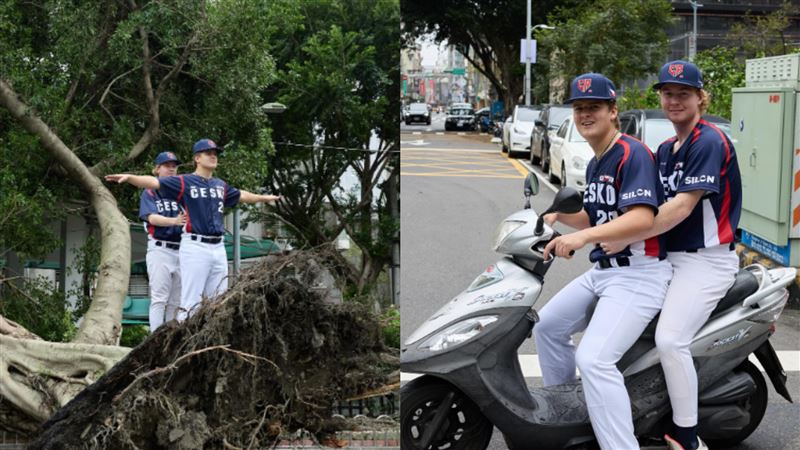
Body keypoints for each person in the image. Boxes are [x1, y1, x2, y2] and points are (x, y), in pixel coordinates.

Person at [600, 60, 742, 450]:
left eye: (683, 94)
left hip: (706, 262)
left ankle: (688, 436)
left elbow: (680, 208)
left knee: (670, 340)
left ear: (700, 98)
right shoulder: (665, 149)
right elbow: (646, 206)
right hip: (669, 259)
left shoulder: (708, 141)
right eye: (668, 94)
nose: (674, 101)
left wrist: (625, 236)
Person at [533, 73, 673, 450]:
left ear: (613, 111)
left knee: (594, 359)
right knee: (547, 327)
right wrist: (557, 217)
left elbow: (641, 218)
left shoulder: (632, 153)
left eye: (593, 107)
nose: (585, 114)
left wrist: (582, 238)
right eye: (579, 108)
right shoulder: (598, 161)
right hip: (605, 272)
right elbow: (598, 218)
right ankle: (567, 415)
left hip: (640, 274)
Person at [106, 138, 281, 322]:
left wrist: (262, 198)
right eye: (208, 153)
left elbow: (241, 195)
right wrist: (130, 178)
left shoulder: (219, 184)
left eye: (215, 153)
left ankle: (208, 339)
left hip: (218, 247)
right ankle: (179, 339)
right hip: (195, 246)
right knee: (190, 303)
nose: (213, 156)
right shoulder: (185, 182)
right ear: (197, 158)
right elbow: (154, 183)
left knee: (217, 302)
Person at [139, 151, 186, 331]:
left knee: (177, 301)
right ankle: (155, 339)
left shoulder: (181, 193)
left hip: (182, 249)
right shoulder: (150, 192)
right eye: (167, 165)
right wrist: (173, 221)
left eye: (174, 166)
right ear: (157, 169)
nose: (172, 169)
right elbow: (151, 218)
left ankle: (171, 340)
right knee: (159, 299)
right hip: (160, 249)